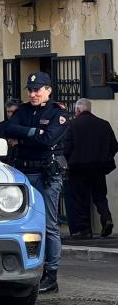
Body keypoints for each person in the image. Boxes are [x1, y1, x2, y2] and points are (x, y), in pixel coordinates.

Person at [2, 72, 71, 294]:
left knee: (48, 225)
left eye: (37, 90)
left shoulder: (57, 113)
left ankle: (51, 275)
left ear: (49, 90)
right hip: (24, 172)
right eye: (30, 90)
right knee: (22, 224)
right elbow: (7, 129)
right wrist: (33, 132)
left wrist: (23, 138)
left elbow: (48, 140)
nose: (33, 94)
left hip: (45, 173)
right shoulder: (22, 110)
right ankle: (23, 271)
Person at [63, 97, 118, 238]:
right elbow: (114, 146)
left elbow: (67, 148)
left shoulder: (73, 125)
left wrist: (71, 161)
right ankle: (106, 218)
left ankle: (85, 230)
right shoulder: (104, 124)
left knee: (80, 198)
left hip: (79, 168)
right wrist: (105, 158)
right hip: (99, 168)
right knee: (100, 196)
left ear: (78, 110)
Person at [0, 98, 21, 164]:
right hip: (3, 162)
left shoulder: (26, 126)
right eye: (8, 111)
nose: (10, 114)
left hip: (20, 161)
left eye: (13, 112)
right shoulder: (0, 127)